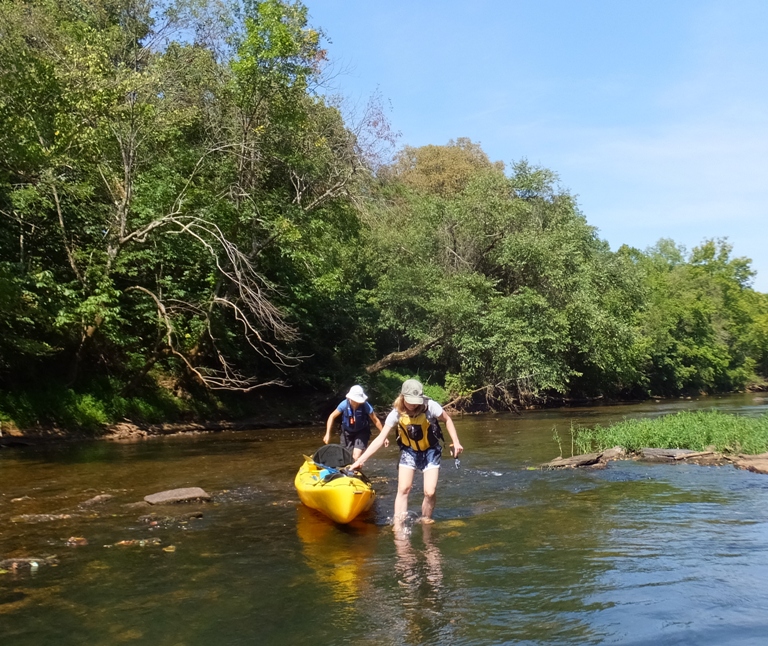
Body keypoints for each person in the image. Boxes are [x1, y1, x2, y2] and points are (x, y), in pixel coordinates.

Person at [350, 379, 463, 527]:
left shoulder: (431, 407)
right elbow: (380, 439)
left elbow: (447, 419)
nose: (414, 404)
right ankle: (398, 525)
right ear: (403, 397)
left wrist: (456, 441)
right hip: (409, 451)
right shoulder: (396, 413)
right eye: (411, 401)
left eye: (417, 401)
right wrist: (360, 460)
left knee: (429, 491)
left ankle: (426, 520)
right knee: (404, 489)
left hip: (431, 451)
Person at [324, 385, 384, 460]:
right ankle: (352, 469)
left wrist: (383, 435)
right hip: (347, 432)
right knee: (346, 457)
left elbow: (375, 420)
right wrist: (327, 434)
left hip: (362, 431)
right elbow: (331, 416)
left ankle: (357, 469)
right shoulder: (344, 404)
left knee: (356, 456)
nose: (357, 402)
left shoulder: (365, 405)